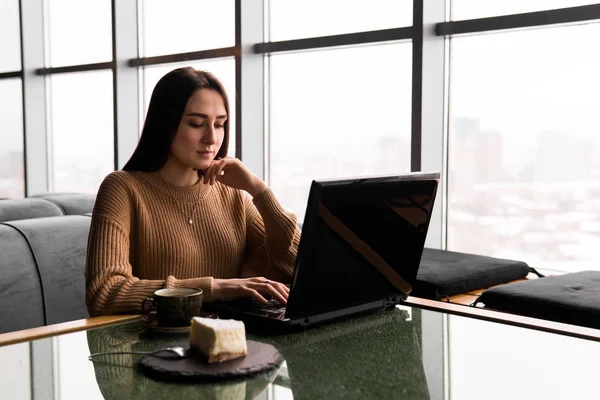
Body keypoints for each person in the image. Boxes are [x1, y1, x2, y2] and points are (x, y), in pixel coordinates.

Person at [85, 67, 300, 316]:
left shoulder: (232, 195)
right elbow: (104, 293)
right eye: (196, 123)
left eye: (220, 125)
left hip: (230, 344)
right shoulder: (122, 188)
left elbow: (295, 266)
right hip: (155, 349)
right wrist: (214, 288)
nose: (211, 138)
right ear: (166, 124)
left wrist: (258, 189)